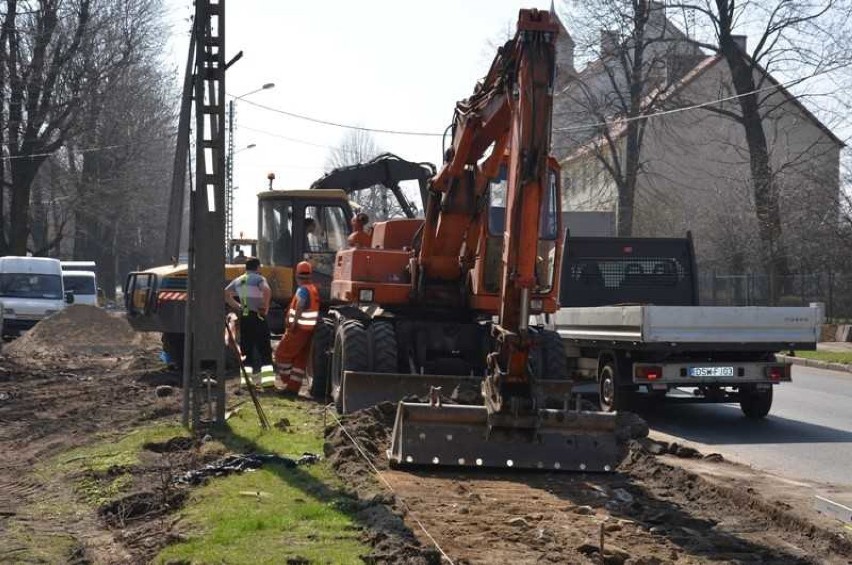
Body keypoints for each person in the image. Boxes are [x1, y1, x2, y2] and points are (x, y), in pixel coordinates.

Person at [274, 261, 320, 394]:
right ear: (310, 275)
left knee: (281, 355)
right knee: (300, 360)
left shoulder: (303, 289)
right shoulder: (313, 289)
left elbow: (300, 304)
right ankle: (293, 388)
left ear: (297, 275)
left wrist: (294, 323)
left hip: (298, 329)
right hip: (308, 331)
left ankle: (287, 381)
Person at [224, 257, 273, 373]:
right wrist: (265, 307)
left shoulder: (239, 280)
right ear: (257, 267)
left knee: (246, 350)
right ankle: (268, 383)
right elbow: (267, 290)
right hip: (259, 316)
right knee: (265, 350)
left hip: (245, 316)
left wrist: (238, 306)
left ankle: (246, 382)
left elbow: (225, 293)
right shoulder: (259, 279)